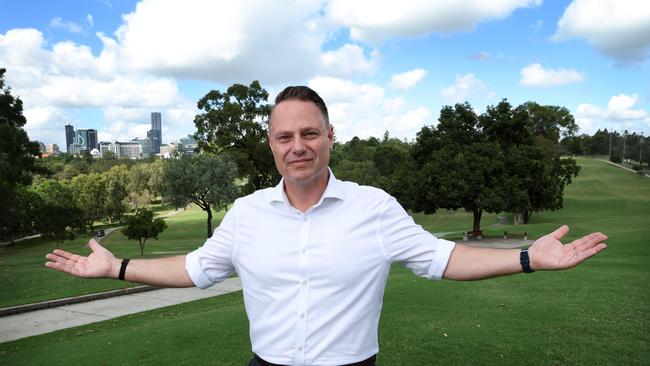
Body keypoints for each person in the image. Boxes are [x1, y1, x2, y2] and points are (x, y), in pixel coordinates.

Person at [46, 86, 607, 366]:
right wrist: (115, 266)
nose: (298, 146)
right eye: (284, 137)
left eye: (309, 133)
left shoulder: (375, 207)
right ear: (271, 145)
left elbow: (443, 259)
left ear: (330, 136)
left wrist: (529, 257)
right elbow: (194, 270)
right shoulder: (246, 216)